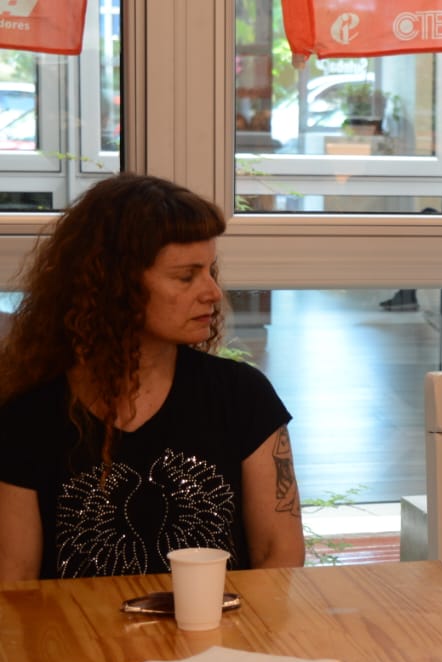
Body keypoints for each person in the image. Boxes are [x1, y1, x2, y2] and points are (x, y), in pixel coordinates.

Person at [0, 172, 305, 581]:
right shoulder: (28, 413)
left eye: (210, 270)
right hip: (77, 624)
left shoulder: (242, 395)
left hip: (225, 621)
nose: (213, 292)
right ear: (116, 286)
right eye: (186, 276)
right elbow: (13, 582)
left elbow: (280, 555)